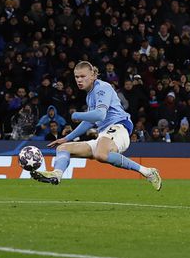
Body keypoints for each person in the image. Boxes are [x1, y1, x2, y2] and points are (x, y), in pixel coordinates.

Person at [31, 61, 162, 191]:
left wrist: (77, 115)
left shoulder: (102, 88)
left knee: (101, 154)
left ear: (93, 75)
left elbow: (100, 115)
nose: (79, 80)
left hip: (119, 127)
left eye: (83, 76)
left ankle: (148, 172)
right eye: (77, 77)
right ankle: (57, 174)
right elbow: (90, 121)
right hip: (105, 134)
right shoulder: (90, 95)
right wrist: (66, 138)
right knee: (63, 148)